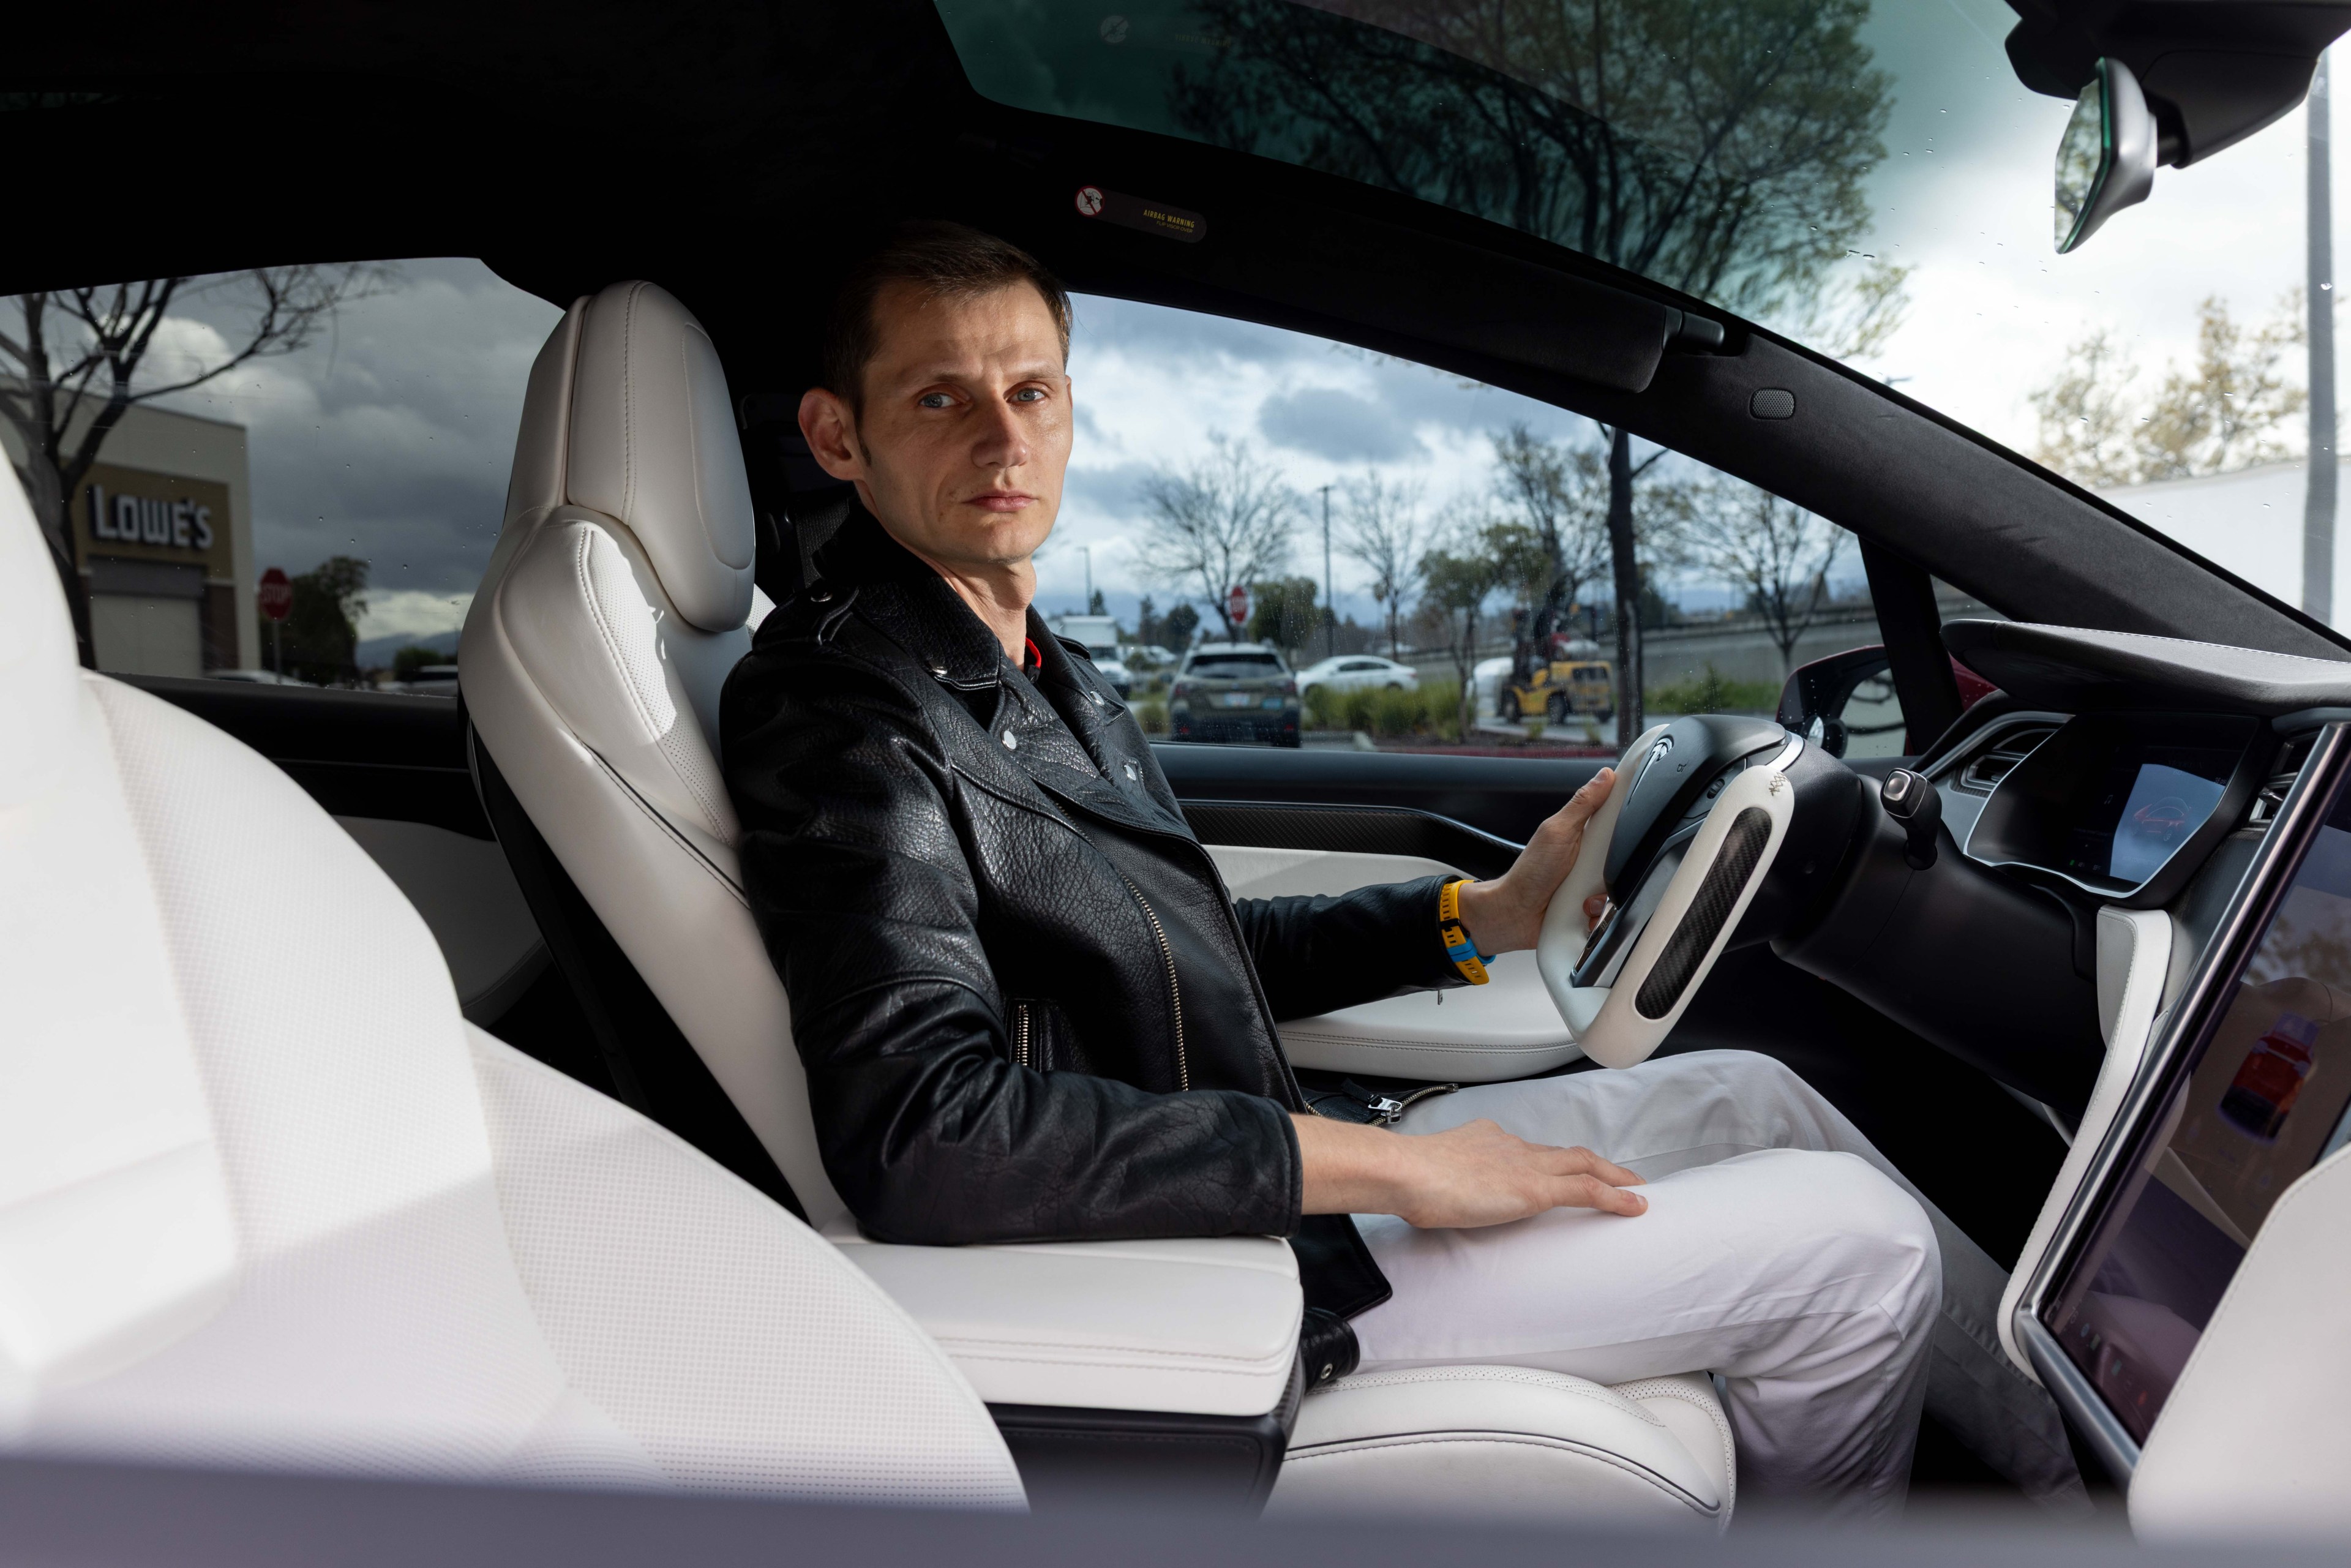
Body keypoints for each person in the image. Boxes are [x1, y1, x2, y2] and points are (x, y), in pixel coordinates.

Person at [721, 221, 2081, 1517]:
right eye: (942, 401)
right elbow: (927, 1133)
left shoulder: (1029, 668)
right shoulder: (845, 711)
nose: (1004, 437)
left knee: (1756, 1097)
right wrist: (1388, 1175)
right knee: (1861, 1250)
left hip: (1261, 1187)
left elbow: (1185, 961)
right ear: (839, 435)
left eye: (1032, 391)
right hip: (1206, 1274)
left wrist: (1477, 917)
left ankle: (2065, 1490)